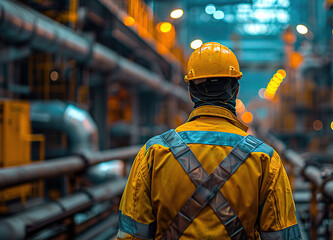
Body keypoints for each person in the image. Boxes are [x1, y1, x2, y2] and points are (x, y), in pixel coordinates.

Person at [117, 42, 302, 240]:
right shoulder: (264, 158)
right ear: (235, 90)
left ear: (190, 91)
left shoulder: (153, 153)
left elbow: (132, 235)